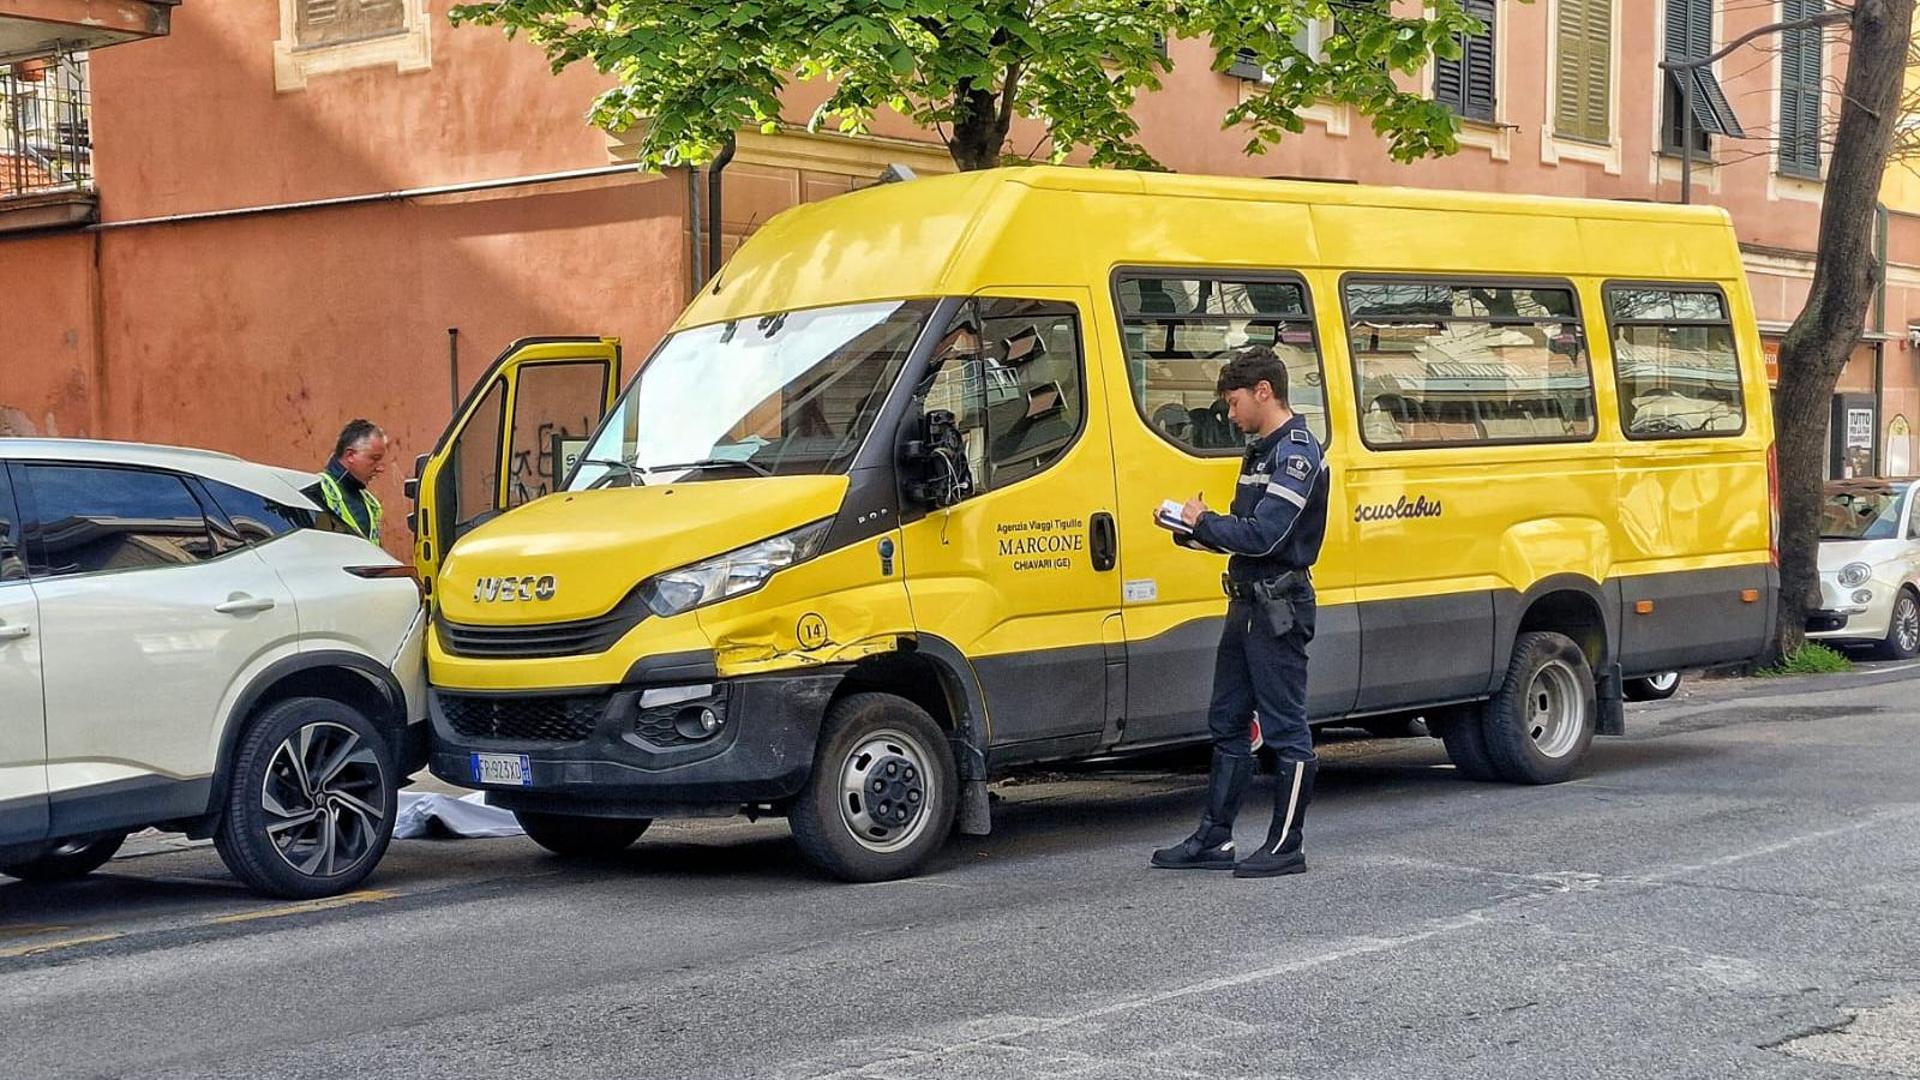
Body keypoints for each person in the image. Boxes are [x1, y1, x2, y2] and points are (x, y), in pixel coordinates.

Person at [1151, 346, 1330, 878]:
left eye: (1233, 403)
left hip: (1279, 606)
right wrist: (1192, 531)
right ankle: (1214, 838)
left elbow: (1266, 534)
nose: (1229, 415)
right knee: (1227, 720)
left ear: (1263, 392)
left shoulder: (1295, 451)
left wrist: (1205, 523)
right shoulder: (1258, 451)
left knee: (1285, 729)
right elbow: (1243, 536)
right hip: (1247, 600)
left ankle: (1286, 845)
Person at [308, 419, 389, 544]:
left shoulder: (372, 504)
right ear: (350, 455)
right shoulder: (315, 491)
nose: (380, 468)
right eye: (374, 458)